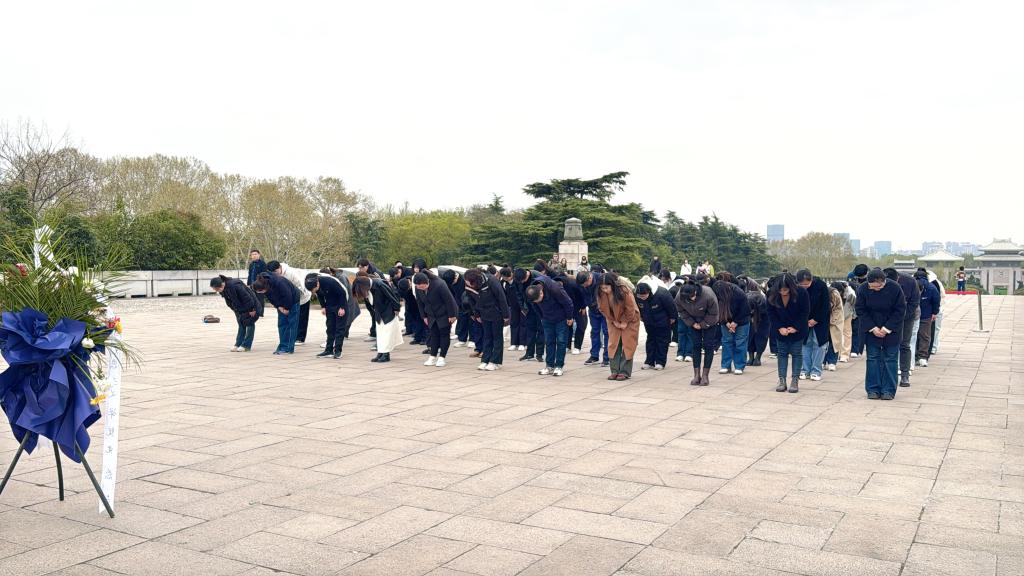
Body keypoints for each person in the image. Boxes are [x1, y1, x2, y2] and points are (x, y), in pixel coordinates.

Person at [856, 269, 906, 400]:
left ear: (884, 282)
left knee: (890, 359)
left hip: (892, 329)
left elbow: (900, 310)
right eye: (872, 287)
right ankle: (872, 389)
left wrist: (886, 328)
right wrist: (872, 328)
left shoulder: (895, 288)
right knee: (873, 359)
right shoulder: (863, 289)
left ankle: (888, 390)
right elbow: (860, 310)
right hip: (871, 328)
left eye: (878, 287)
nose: (875, 289)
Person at [525, 273, 575, 376]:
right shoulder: (532, 291)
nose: (538, 302)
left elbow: (568, 302)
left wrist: (569, 317)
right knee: (549, 341)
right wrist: (542, 317)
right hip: (547, 319)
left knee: (561, 341)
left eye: (539, 300)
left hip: (561, 318)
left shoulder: (555, 288)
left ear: (541, 292)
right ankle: (549, 366)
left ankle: (559, 366)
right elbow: (535, 307)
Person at [767, 273, 809, 393]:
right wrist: (779, 327)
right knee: (782, 353)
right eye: (780, 290)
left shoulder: (801, 293)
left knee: (796, 353)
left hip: (797, 329)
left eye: (785, 290)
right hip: (780, 329)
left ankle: (795, 380)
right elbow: (770, 313)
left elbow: (805, 312)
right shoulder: (771, 293)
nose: (783, 292)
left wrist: (796, 327)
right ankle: (782, 380)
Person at [597, 273, 641, 379]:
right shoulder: (600, 293)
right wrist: (613, 321)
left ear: (612, 285)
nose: (605, 290)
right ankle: (614, 370)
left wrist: (625, 321)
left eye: (606, 287)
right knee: (614, 344)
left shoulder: (624, 290)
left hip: (630, 319)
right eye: (602, 288)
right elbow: (602, 309)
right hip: (613, 320)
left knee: (628, 344)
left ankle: (624, 372)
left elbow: (630, 308)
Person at [464, 268, 509, 371]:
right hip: (483, 313)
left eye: (470, 282)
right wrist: (476, 315)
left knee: (497, 337)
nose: (468, 284)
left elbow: (501, 298)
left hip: (496, 312)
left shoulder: (491, 281)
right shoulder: (469, 284)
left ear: (476, 280)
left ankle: (495, 361)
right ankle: (485, 360)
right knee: (487, 337)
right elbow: (471, 300)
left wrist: (506, 315)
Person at [676, 281, 720, 386]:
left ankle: (705, 375)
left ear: (695, 291)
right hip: (693, 321)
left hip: (709, 321)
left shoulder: (708, 295)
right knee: (695, 345)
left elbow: (714, 313)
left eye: (693, 296)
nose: (692, 299)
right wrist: (692, 323)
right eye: (688, 299)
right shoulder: (679, 297)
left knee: (708, 346)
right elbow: (681, 311)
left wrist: (703, 324)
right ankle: (696, 375)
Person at [352, 274, 403, 362]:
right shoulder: (370, 287)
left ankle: (386, 354)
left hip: (388, 312)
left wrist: (396, 308)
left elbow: (392, 296)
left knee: (387, 334)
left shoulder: (380, 284)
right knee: (380, 334)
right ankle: (381, 352)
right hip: (379, 313)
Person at [884, 268, 920, 387]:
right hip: (887, 317)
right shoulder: (880, 281)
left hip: (907, 317)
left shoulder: (910, 281)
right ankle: (887, 374)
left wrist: (901, 317)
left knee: (904, 344)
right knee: (886, 345)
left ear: (898, 279)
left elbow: (914, 303)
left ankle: (905, 375)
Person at [416, 270, 458, 367]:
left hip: (444, 313)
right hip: (431, 314)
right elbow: (420, 303)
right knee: (434, 334)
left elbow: (449, 300)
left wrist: (452, 315)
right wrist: (424, 316)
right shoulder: (418, 287)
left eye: (423, 287)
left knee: (444, 334)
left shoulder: (439, 284)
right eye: (419, 287)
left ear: (427, 281)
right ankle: (432, 356)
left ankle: (442, 357)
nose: (421, 289)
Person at [252, 270, 299, 355]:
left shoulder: (279, 282)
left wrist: (286, 308)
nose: (261, 293)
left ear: (265, 287)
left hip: (292, 300)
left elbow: (288, 295)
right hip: (281, 303)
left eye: (261, 292)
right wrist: (279, 307)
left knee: (291, 324)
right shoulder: (263, 283)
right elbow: (271, 298)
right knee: (282, 324)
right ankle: (283, 346)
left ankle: (288, 348)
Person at [713, 272, 751, 375]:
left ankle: (739, 366)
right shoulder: (718, 294)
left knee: (740, 342)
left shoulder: (738, 293)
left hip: (741, 321)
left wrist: (735, 322)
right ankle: (725, 366)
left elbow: (745, 310)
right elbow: (718, 310)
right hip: (726, 321)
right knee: (726, 342)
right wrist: (726, 322)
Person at [796, 269, 830, 382]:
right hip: (804, 321)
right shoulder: (796, 288)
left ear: (811, 280)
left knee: (819, 344)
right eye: (802, 284)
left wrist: (816, 319)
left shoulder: (821, 286)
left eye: (807, 284)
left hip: (820, 321)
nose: (804, 286)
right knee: (805, 344)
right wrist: (803, 320)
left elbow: (825, 305)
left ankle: (816, 370)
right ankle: (805, 369)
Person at [267, 261, 312, 345]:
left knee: (302, 317)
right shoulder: (273, 275)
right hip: (289, 297)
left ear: (280, 267)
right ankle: (291, 337)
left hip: (303, 295)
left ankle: (300, 338)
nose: (274, 274)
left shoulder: (290, 273)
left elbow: (300, 285)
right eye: (272, 272)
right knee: (290, 318)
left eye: (275, 271)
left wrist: (298, 298)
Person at [305, 272, 348, 359]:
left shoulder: (329, 281)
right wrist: (323, 307)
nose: (313, 291)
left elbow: (342, 293)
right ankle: (328, 350)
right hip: (329, 305)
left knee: (339, 328)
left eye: (314, 289)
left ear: (317, 283)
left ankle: (338, 351)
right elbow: (320, 295)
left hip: (340, 304)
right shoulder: (315, 285)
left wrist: (342, 307)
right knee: (330, 328)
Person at [210, 274, 259, 352]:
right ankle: (238, 344)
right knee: (241, 324)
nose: (216, 291)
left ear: (222, 285)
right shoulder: (223, 289)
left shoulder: (235, 285)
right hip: (239, 308)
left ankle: (246, 345)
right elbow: (229, 302)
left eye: (216, 289)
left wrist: (252, 309)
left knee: (249, 324)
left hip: (252, 306)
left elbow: (247, 298)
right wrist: (236, 310)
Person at [635, 281, 676, 371]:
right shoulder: (637, 296)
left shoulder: (662, 293)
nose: (642, 298)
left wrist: (673, 317)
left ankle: (660, 362)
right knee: (650, 340)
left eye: (644, 295)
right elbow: (637, 307)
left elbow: (671, 306)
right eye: (640, 296)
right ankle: (649, 362)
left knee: (662, 341)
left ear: (649, 292)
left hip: (663, 321)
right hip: (648, 321)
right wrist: (641, 316)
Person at [576, 270, 610, 367]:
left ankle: (607, 357)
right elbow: (581, 296)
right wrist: (583, 306)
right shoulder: (581, 284)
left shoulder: (601, 279)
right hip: (592, 310)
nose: (584, 286)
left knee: (607, 332)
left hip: (604, 310)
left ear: (590, 278)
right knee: (594, 332)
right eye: (582, 285)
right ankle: (594, 356)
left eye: (585, 284)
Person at [514, 268, 545, 363]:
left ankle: (539, 354)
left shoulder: (538, 277)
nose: (522, 282)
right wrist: (522, 308)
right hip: (528, 308)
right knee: (530, 330)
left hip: (539, 307)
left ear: (527, 275)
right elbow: (518, 294)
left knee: (541, 330)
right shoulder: (518, 279)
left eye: (523, 280)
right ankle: (529, 353)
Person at [554, 274, 588, 355]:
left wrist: (583, 306)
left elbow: (582, 294)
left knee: (581, 325)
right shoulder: (552, 286)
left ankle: (577, 346)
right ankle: (567, 346)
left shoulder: (573, 284)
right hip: (566, 307)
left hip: (578, 306)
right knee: (567, 325)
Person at [914, 271, 940, 367]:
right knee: (925, 336)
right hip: (926, 315)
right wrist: (934, 312)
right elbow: (936, 301)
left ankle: (914, 356)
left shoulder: (913, 285)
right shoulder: (932, 287)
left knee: (914, 336)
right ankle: (923, 357)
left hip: (914, 316)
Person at [741, 276, 769, 366]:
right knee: (750, 338)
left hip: (762, 320)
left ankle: (757, 358)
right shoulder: (748, 298)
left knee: (760, 338)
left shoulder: (762, 302)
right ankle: (751, 358)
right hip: (751, 319)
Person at [500, 268, 526, 352]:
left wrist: (523, 307)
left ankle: (522, 343)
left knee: (523, 323)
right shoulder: (503, 283)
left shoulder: (518, 280)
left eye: (507, 277)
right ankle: (514, 343)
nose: (506, 278)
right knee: (514, 323)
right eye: (504, 277)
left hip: (522, 306)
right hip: (512, 306)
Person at [848, 264, 870, 357]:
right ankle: (853, 348)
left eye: (862, 277)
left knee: (859, 328)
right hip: (852, 303)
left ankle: (856, 348)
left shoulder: (871, 277)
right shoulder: (851, 276)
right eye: (858, 277)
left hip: (866, 304)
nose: (860, 278)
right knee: (853, 328)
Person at [824, 282, 845, 371]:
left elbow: (838, 308)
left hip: (835, 321)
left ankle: (832, 362)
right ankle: (822, 361)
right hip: (821, 321)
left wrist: (832, 320)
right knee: (822, 343)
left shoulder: (833, 293)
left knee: (834, 342)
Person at [246, 249, 267, 317]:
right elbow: (249, 275)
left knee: (260, 299)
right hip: (252, 285)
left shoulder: (262, 264)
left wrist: (262, 284)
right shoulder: (251, 264)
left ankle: (260, 313)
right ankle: (254, 312)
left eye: (255, 254)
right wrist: (248, 284)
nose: (254, 256)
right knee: (252, 299)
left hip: (260, 285)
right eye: (252, 254)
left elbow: (264, 274)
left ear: (259, 255)